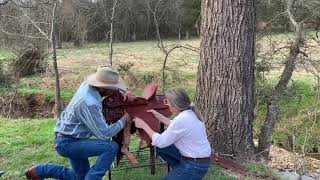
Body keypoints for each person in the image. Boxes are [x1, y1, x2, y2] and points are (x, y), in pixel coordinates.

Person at [25, 66, 134, 180]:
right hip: (68, 143)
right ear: (102, 88)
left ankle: (39, 171)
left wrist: (125, 90)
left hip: (68, 138)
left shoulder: (88, 85)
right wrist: (124, 120)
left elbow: (112, 82)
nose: (114, 91)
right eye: (112, 88)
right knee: (111, 147)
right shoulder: (89, 102)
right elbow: (104, 134)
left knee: (79, 177)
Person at [134, 88, 212, 180]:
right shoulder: (190, 113)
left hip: (194, 165)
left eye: (167, 101)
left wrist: (143, 125)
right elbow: (175, 125)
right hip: (200, 160)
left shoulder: (182, 119)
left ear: (175, 104)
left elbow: (160, 141)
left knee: (161, 145)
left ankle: (184, 172)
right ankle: (180, 170)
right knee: (163, 149)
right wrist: (158, 115)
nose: (167, 104)